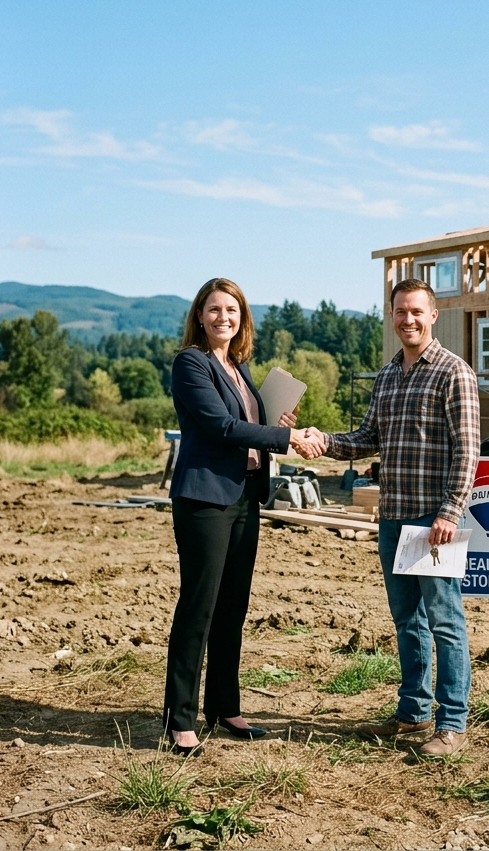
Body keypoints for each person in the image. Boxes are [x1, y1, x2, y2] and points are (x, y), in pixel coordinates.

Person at [313, 278, 480, 756]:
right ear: (392, 317)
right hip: (394, 517)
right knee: (407, 619)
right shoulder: (387, 376)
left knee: (445, 619)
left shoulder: (454, 373)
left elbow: (468, 451)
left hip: (433, 520)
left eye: (416, 312)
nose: (408, 320)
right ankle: (412, 713)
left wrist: (450, 510)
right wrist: (322, 441)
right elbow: (367, 438)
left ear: (433, 316)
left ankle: (451, 724)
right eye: (400, 312)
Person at [163, 278, 323, 755]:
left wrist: (276, 425)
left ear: (242, 318)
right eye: (214, 310)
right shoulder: (191, 363)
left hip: (243, 498)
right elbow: (219, 426)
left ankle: (224, 707)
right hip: (205, 501)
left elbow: (245, 424)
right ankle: (180, 718)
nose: (223, 318)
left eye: (231, 310)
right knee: (199, 606)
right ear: (199, 316)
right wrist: (287, 441)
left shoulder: (238, 366)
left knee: (232, 605)